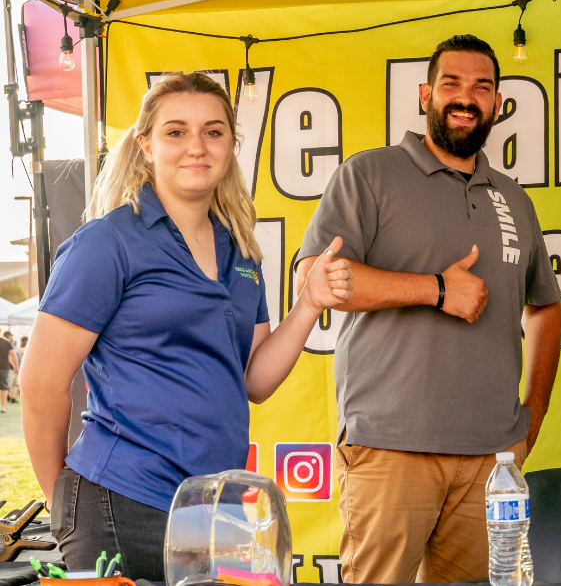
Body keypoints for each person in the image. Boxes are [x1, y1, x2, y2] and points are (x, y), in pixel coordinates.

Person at [19, 72, 353, 580]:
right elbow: (41, 383)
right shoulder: (107, 244)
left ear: (230, 146)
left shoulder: (240, 252)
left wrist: (309, 303)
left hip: (209, 512)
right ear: (146, 146)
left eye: (213, 132)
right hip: (119, 499)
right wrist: (61, 501)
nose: (196, 146)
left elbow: (254, 381)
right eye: (176, 132)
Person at [295, 35, 561, 583]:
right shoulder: (370, 174)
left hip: (492, 462)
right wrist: (435, 290)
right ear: (425, 95)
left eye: (481, 88)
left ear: (496, 104)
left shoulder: (513, 198)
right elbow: (317, 279)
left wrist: (528, 419)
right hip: (390, 449)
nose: (466, 98)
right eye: (452, 84)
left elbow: (546, 307)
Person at [0, 332, 18, 413]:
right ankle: (3, 407)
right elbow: (13, 355)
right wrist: (16, 367)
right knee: (4, 387)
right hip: (4, 367)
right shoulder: (6, 343)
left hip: (4, 367)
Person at [3, 332, 20, 404]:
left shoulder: (11, 344)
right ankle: (7, 396)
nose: (12, 337)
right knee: (9, 384)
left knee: (16, 384)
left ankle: (12, 397)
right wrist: (15, 366)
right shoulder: (7, 344)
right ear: (8, 336)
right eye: (11, 336)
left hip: (14, 367)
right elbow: (10, 357)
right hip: (10, 368)